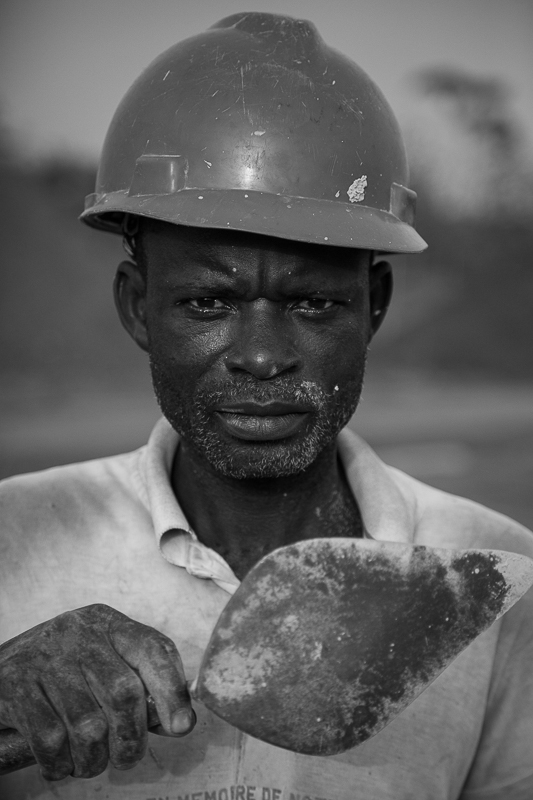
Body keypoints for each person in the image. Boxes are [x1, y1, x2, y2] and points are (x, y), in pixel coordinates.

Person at [1, 12, 532, 800]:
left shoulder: (481, 580)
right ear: (139, 307)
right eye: (209, 302)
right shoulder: (14, 542)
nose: (260, 355)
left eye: (313, 304)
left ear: (372, 306)